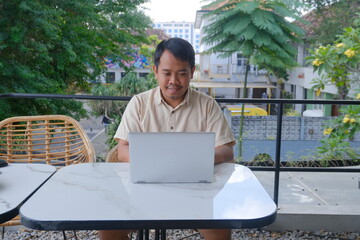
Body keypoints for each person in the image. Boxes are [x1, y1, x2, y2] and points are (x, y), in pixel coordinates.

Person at [99, 38, 235, 240]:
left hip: (196, 191)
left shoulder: (207, 105)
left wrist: (189, 161)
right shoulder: (139, 103)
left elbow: (226, 150)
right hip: (143, 189)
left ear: (192, 72)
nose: (174, 80)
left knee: (220, 233)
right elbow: (122, 149)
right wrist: (156, 164)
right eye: (167, 73)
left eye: (182, 73)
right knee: (108, 230)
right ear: (155, 71)